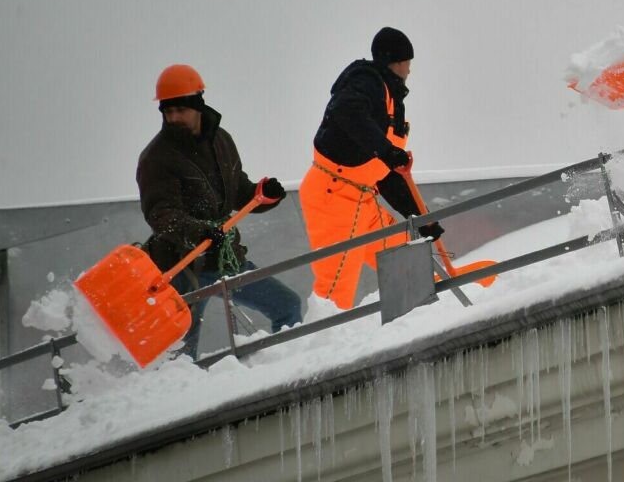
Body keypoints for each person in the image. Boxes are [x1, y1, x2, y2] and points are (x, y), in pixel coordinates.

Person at [137, 64, 302, 357]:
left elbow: (238, 192)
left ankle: (288, 369)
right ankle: (183, 399)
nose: (173, 117)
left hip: (226, 259)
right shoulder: (156, 158)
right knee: (180, 356)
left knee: (287, 307)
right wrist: (200, 232)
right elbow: (162, 215)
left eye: (180, 110)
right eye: (167, 111)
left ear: (198, 104)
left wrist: (264, 195)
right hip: (182, 267)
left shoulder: (221, 140)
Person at [298, 27, 443, 309]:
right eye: (407, 63)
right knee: (335, 293)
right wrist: (388, 151)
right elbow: (346, 112)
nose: (409, 71)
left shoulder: (391, 99)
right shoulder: (366, 82)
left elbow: (387, 175)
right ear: (394, 62)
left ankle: (417, 325)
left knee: (408, 261)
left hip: (363, 199)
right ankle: (322, 347)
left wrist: (423, 218)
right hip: (334, 197)